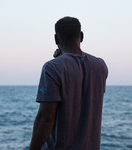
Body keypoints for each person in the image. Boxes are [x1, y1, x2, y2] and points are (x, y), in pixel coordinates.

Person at [29, 16, 108, 150]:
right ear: (81, 36)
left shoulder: (52, 68)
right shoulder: (100, 66)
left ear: (56, 39)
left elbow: (46, 118)